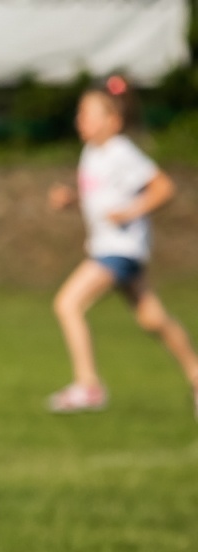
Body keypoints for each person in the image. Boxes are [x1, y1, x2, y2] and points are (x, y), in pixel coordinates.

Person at [47, 77, 198, 417]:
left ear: (112, 121)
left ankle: (88, 386)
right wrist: (72, 199)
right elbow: (100, 196)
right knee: (152, 320)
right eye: (80, 112)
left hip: (120, 249)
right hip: (110, 247)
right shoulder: (92, 153)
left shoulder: (121, 152)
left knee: (68, 303)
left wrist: (131, 212)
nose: (79, 120)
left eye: (87, 113)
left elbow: (163, 188)